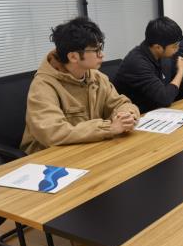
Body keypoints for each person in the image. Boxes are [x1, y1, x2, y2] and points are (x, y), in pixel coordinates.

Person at [21, 17, 140, 155]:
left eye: (101, 47)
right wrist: (109, 128)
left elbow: (120, 103)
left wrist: (126, 115)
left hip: (89, 148)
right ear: (73, 57)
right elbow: (52, 133)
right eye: (96, 50)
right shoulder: (43, 86)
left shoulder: (97, 77)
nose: (102, 55)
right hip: (48, 156)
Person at [113, 17, 183, 113]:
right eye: (174, 46)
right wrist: (181, 71)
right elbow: (165, 98)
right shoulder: (137, 63)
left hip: (156, 111)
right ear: (158, 47)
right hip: (135, 116)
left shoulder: (160, 54)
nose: (177, 49)